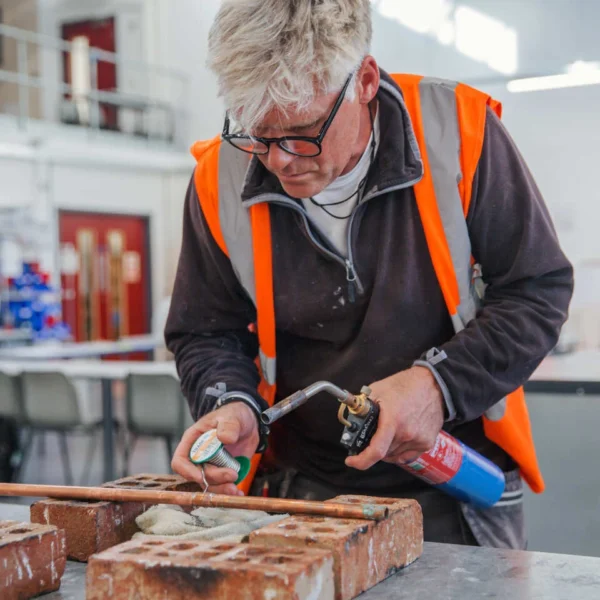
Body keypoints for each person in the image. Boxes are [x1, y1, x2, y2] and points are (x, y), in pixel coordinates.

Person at [167, 0, 573, 548]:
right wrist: (229, 404)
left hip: (459, 478)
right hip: (300, 490)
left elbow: (536, 290)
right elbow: (205, 329)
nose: (280, 160)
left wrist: (438, 385)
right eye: (258, 133)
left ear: (363, 79)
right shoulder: (220, 176)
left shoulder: (458, 132)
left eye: (303, 132)